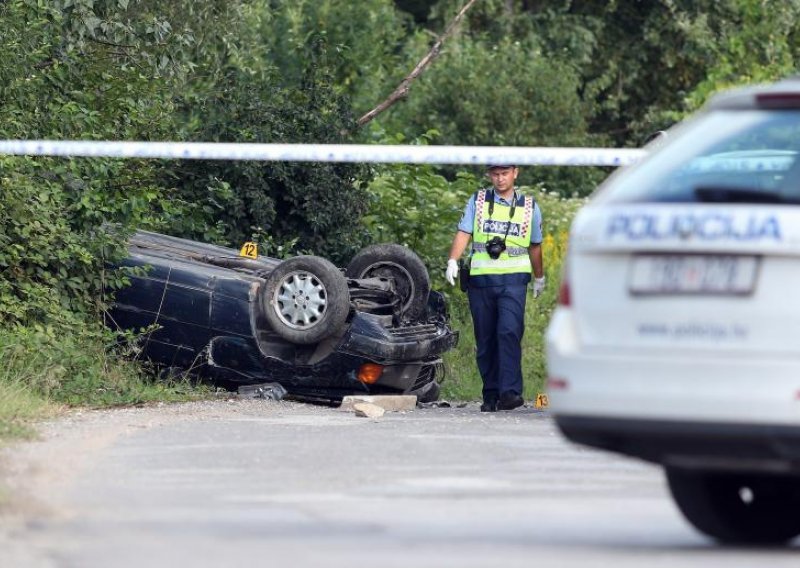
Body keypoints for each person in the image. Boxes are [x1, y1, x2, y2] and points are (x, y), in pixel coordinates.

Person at [445, 164, 545, 412]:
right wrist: (452, 261)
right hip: (481, 279)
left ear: (515, 173)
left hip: (514, 280)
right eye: (495, 174)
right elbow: (463, 232)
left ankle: (509, 392)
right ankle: (491, 394)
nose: (500, 179)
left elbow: (535, 245)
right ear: (490, 175)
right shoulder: (478, 201)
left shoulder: (529, 207)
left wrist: (540, 276)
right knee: (486, 338)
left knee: (509, 332)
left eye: (505, 173)